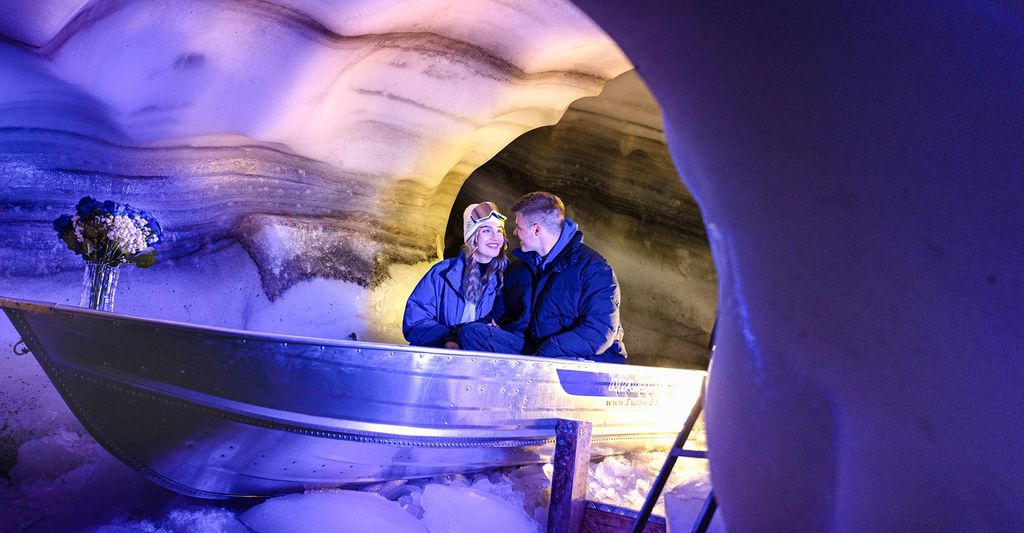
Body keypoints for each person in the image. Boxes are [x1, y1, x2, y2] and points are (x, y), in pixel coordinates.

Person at [458, 192, 626, 363]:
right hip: (534, 352)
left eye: (519, 227)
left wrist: (543, 356)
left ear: (537, 229)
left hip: (580, 358)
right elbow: (496, 316)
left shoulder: (595, 269)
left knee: (571, 360)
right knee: (472, 333)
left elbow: (598, 334)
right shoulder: (518, 270)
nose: (515, 232)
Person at [403, 202, 509, 348]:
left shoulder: (507, 277)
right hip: (442, 358)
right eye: (486, 230)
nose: (495, 237)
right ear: (472, 237)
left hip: (485, 362)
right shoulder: (442, 273)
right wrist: (451, 338)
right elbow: (415, 323)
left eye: (499, 231)